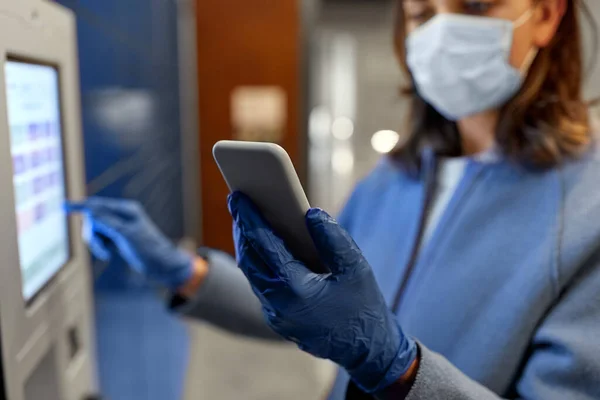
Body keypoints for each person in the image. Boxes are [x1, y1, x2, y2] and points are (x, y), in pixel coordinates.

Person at [67, 0, 600, 399]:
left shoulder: (587, 210)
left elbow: (365, 337)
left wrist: (397, 369)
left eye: (476, 5)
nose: (442, 30)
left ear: (548, 16)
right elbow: (317, 306)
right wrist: (184, 273)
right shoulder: (393, 179)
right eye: (421, 14)